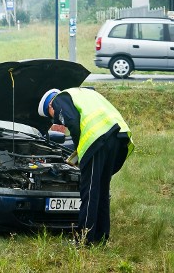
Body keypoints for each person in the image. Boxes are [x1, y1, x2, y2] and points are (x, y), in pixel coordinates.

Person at [38, 87, 134, 245]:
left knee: (89, 190)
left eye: (53, 117)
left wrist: (80, 152)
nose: (56, 120)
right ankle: (101, 237)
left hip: (98, 140)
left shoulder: (59, 100)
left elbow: (73, 123)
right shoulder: (83, 93)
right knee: (102, 189)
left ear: (50, 107)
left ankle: (84, 239)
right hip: (118, 137)